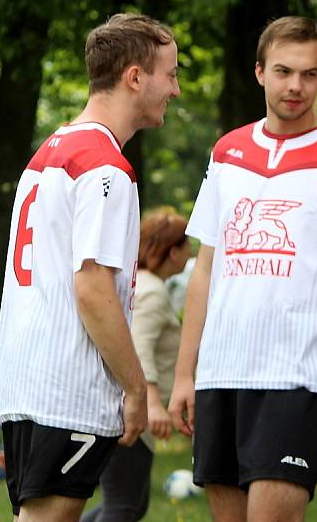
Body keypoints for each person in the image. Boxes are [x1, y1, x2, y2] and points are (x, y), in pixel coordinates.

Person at [168, 16, 317, 522]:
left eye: (310, 74)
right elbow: (206, 266)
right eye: (284, 71)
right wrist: (185, 374)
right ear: (259, 73)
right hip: (220, 373)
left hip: (294, 378)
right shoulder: (226, 152)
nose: (296, 86)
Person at [0, 13, 180, 522]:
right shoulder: (105, 167)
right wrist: (136, 389)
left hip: (25, 379)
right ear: (135, 76)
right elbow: (93, 290)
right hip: (66, 387)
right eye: (171, 73)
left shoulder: (51, 150)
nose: (176, 90)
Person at [82, 207, 192, 522]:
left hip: (119, 405)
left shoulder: (136, 283)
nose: (190, 255)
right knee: (123, 507)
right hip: (130, 411)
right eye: (187, 247)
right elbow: (140, 347)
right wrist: (153, 404)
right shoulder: (153, 293)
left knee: (130, 505)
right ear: (173, 252)